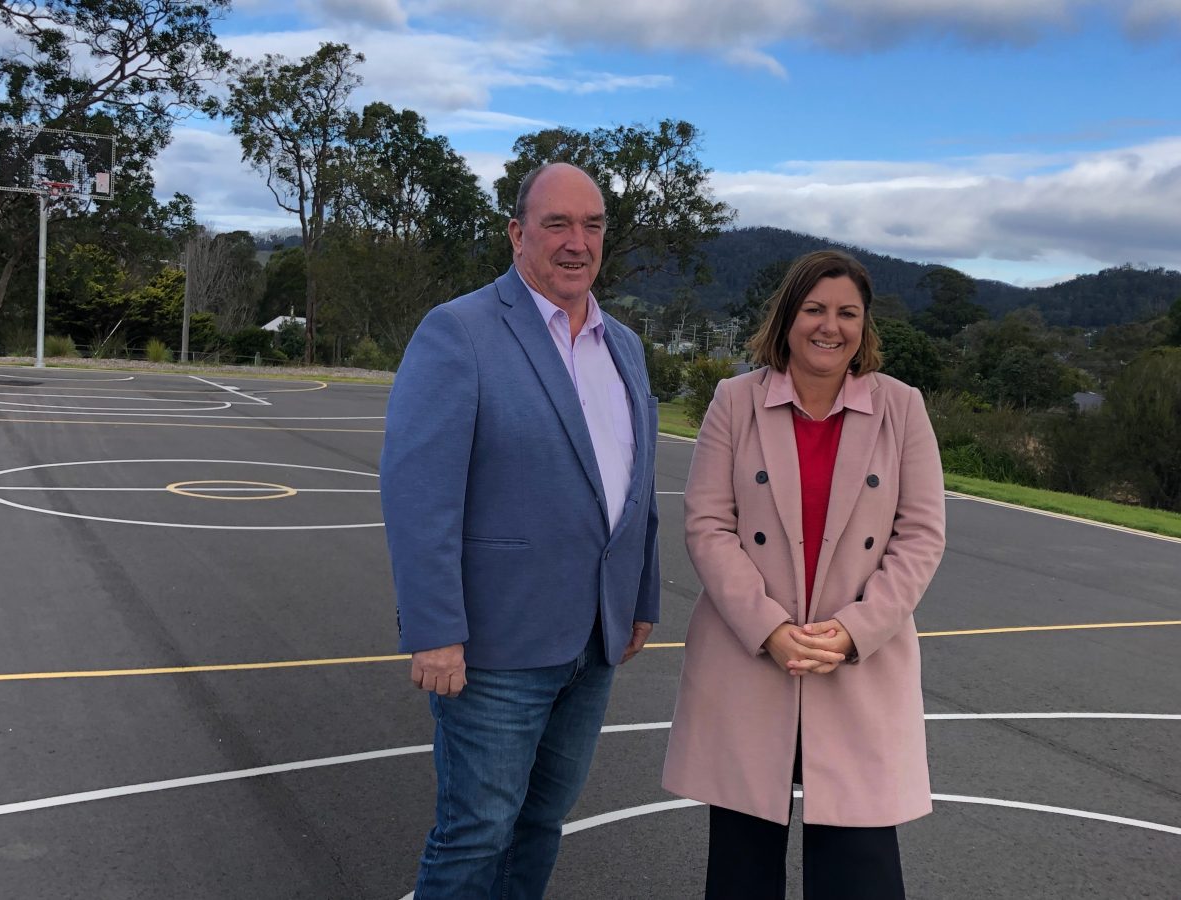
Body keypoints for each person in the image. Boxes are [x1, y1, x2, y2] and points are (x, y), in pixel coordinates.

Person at [380, 162, 660, 899]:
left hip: (593, 643)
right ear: (516, 233)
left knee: (541, 824)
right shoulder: (460, 331)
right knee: (475, 833)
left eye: (592, 225)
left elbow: (638, 488)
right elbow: (419, 492)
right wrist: (434, 629)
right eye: (557, 224)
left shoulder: (624, 347)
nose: (577, 242)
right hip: (494, 647)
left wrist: (640, 598)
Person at [662, 249, 946, 899]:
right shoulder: (735, 401)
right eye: (815, 309)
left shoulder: (903, 409)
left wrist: (851, 631)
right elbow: (708, 525)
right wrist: (770, 629)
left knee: (861, 870)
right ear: (788, 317)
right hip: (751, 659)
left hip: (855, 664)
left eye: (848, 312)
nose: (830, 325)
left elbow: (921, 536)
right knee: (741, 869)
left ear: (864, 326)